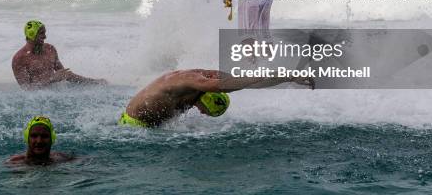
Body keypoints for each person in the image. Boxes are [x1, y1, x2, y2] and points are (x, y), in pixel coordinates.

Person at [119, 69, 313, 127]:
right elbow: (227, 85)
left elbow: (250, 81)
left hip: (149, 127)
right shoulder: (195, 82)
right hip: (132, 126)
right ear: (207, 98)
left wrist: (289, 77)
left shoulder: (208, 82)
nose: (201, 113)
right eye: (205, 110)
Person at [12, 20, 106, 88]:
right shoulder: (20, 58)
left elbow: (65, 75)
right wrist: (52, 79)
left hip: (56, 93)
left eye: (44, 33)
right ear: (32, 34)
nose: (45, 36)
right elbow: (27, 89)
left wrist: (94, 82)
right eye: (41, 33)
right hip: (38, 99)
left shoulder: (50, 49)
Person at [7, 116, 74, 165]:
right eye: (34, 136)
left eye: (44, 136)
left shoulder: (61, 158)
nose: (39, 141)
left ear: (52, 139)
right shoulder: (14, 163)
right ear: (27, 138)